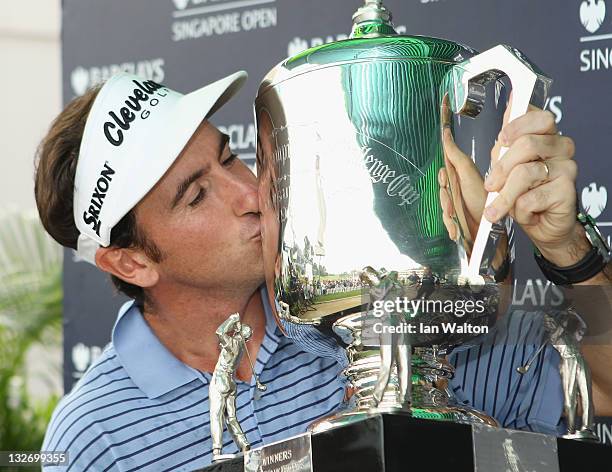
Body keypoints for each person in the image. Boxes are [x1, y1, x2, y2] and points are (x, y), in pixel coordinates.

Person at [36, 71, 608, 471]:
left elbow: (603, 388)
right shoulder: (94, 437)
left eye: (229, 156)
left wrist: (566, 248)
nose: (249, 192)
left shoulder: (386, 315)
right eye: (196, 196)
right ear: (131, 261)